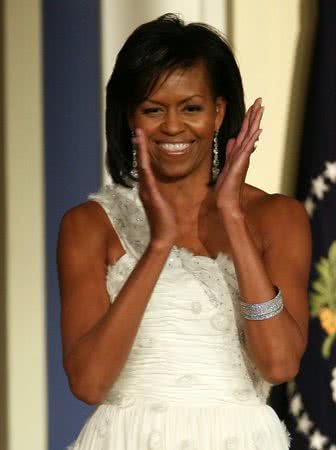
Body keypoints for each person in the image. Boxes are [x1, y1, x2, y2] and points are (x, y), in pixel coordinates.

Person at [57, 14, 310, 449]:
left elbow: (279, 364)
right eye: (153, 109)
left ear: (218, 112)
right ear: (129, 117)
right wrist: (157, 246)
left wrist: (231, 216)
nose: (172, 126)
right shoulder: (89, 225)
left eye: (190, 108)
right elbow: (89, 383)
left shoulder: (276, 217)